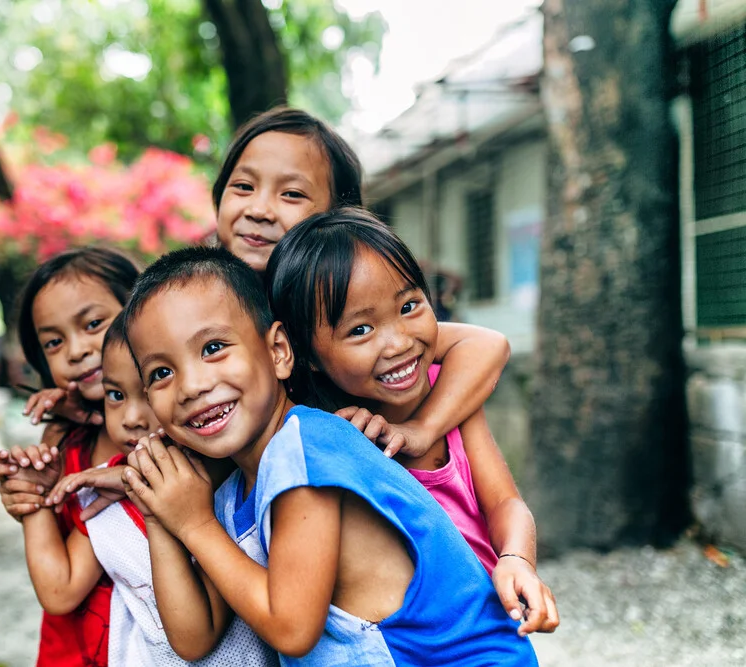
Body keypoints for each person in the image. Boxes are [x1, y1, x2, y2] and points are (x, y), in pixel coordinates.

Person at [120, 246, 539, 665]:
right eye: (161, 373)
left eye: (213, 348)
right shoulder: (235, 492)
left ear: (279, 351)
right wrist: (161, 513)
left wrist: (195, 525)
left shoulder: (306, 449)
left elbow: (292, 628)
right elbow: (194, 638)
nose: (191, 386)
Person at [266, 208, 558, 633]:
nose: (399, 342)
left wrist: (516, 560)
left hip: (489, 631)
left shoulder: (448, 397)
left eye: (409, 305)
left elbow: (504, 503)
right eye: (360, 330)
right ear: (307, 355)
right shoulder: (329, 435)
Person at [210, 106, 509, 462]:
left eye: (291, 194)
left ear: (336, 214)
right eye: (243, 187)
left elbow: (487, 345)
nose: (259, 209)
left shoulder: (361, 317)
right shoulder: (200, 307)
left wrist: (423, 428)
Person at [43, 318, 276, 666]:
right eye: (116, 395)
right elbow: (60, 590)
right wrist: (36, 502)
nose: (132, 418)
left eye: (151, 388)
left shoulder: (233, 483)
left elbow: (196, 639)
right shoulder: (108, 491)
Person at [0, 246, 141, 667]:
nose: (76, 351)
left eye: (94, 323)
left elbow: (61, 588)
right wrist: (31, 494)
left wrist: (36, 504)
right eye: (54, 342)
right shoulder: (66, 439)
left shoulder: (156, 449)